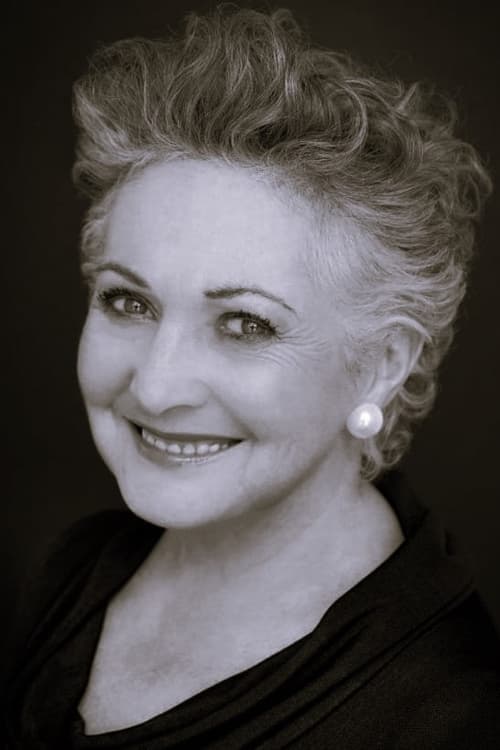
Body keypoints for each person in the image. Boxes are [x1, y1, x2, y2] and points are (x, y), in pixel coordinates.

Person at [4, 6, 499, 748]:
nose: (156, 389)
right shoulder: (71, 568)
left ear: (383, 364)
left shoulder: (451, 715)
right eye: (128, 301)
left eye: (245, 324)